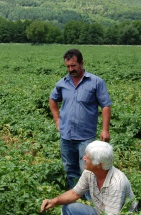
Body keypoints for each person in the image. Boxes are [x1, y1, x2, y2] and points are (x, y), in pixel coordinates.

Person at [49, 49, 112, 190]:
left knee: (87, 170)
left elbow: (106, 106)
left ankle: (91, 200)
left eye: (73, 65)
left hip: (86, 136)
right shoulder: (62, 83)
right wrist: (57, 119)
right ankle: (76, 195)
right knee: (70, 168)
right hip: (66, 135)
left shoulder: (96, 82)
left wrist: (105, 129)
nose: (70, 69)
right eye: (68, 66)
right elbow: (52, 100)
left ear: (82, 63)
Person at [41, 141, 137, 215]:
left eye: (88, 157)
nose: (84, 158)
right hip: (101, 212)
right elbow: (75, 193)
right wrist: (54, 201)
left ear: (98, 164)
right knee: (69, 208)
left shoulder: (116, 184)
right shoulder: (90, 172)